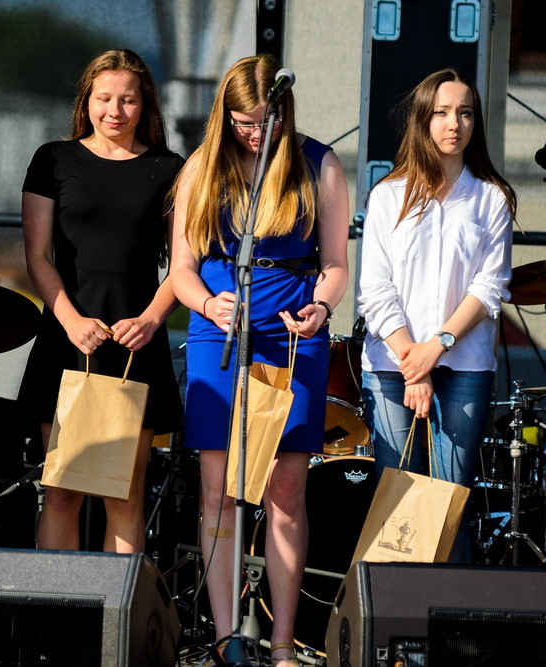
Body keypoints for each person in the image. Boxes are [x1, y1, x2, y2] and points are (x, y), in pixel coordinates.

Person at [171, 54, 350, 665]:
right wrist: (208, 305)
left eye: (263, 122)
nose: (253, 134)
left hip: (291, 338)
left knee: (285, 488)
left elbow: (334, 266)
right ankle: (227, 636)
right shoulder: (204, 166)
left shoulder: (316, 163)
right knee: (218, 491)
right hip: (219, 339)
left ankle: (280, 641)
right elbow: (181, 270)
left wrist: (322, 307)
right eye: (242, 123)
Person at [19, 49, 183, 554]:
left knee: (126, 496)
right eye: (104, 98)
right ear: (86, 101)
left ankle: (117, 626)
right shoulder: (53, 159)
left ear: (145, 105)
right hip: (68, 341)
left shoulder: (170, 168)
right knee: (62, 493)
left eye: (128, 100)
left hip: (135, 346)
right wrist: (69, 321)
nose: (115, 110)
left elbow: (183, 266)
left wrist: (153, 319)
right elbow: (38, 256)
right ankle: (52, 622)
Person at [356, 68, 515, 561]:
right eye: (442, 112)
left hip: (463, 365)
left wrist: (436, 348)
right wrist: (412, 359)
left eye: (465, 113)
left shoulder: (490, 198)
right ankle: (394, 630)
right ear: (422, 120)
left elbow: (490, 287)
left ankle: (449, 628)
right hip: (391, 365)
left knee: (452, 505)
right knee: (396, 506)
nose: (454, 123)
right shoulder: (388, 195)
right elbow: (374, 289)